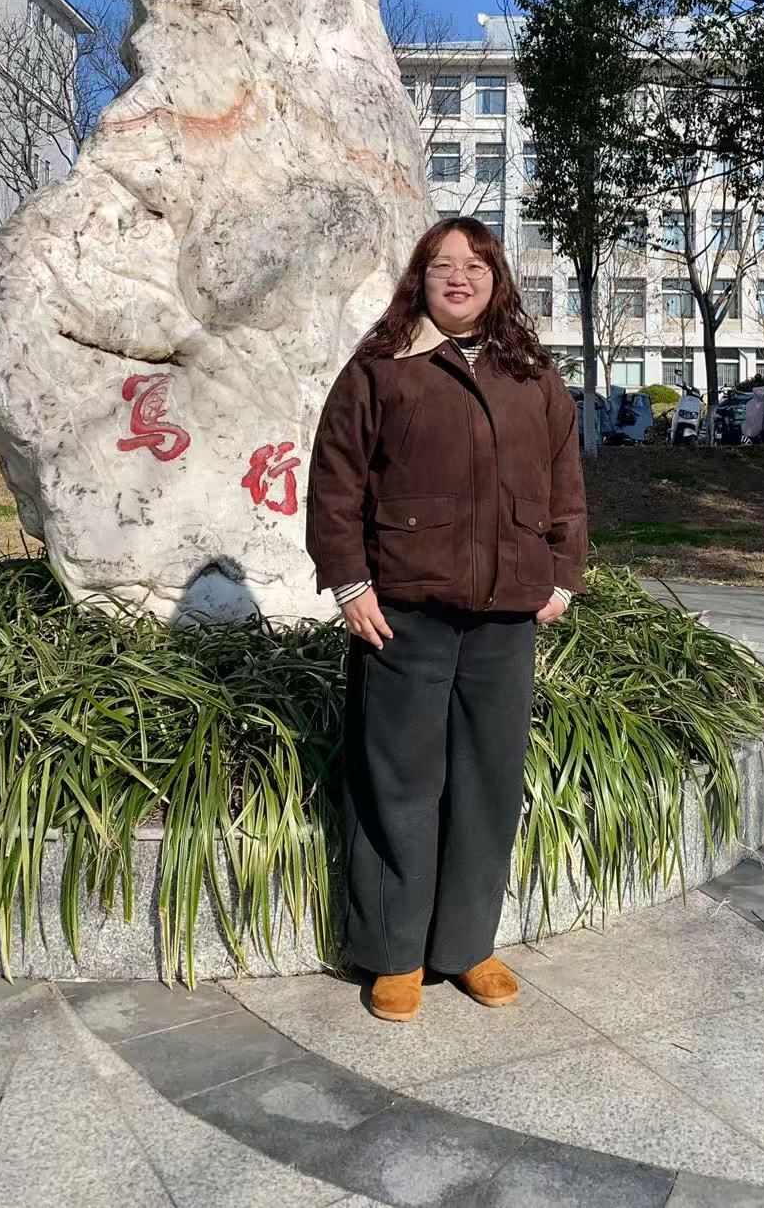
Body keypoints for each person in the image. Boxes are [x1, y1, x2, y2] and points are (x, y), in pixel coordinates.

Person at [306, 215, 587, 1023]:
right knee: (398, 782)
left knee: (487, 784)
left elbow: (565, 482)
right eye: (441, 265)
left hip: (505, 619)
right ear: (419, 279)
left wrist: (562, 577)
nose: (458, 277)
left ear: (497, 281)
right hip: (404, 613)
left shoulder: (532, 374)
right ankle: (394, 953)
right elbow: (335, 482)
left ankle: (467, 946)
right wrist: (350, 585)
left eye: (475, 265)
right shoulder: (381, 368)